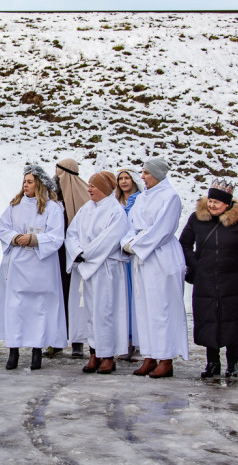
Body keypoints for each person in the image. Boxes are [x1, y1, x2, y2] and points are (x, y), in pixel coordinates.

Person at [121, 157, 188, 378]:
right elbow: (131, 225)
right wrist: (127, 243)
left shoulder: (170, 197)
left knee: (162, 308)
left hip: (161, 257)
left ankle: (165, 357)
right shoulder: (141, 199)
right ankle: (149, 354)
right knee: (144, 308)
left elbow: (162, 230)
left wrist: (137, 245)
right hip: (142, 259)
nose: (142, 177)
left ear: (158, 174)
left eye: (146, 173)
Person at [179, 178, 238, 379]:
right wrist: (196, 265)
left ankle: (233, 363)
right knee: (208, 321)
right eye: (210, 201)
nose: (212, 205)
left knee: (231, 322)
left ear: (227, 204)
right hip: (206, 279)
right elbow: (184, 244)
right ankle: (212, 363)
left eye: (217, 203)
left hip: (232, 280)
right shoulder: (196, 219)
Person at [0, 165, 66, 371]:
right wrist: (16, 238)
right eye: (24, 182)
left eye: (29, 182)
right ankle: (14, 351)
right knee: (16, 308)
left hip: (41, 267)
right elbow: (2, 228)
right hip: (18, 265)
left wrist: (34, 239)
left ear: (39, 184)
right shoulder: (15, 206)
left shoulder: (52, 208)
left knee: (38, 310)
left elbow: (56, 236)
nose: (25, 185)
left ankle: (37, 351)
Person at [65, 170, 130, 374]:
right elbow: (72, 232)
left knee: (105, 312)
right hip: (87, 268)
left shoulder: (115, 211)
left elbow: (109, 240)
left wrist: (87, 255)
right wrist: (77, 252)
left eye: (93, 185)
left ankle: (108, 355)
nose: (89, 188)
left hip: (105, 269)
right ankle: (94, 352)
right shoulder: (86, 208)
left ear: (103, 188)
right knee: (90, 312)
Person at [49, 157, 91, 360]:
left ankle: (77, 341)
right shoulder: (51, 197)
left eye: (58, 172)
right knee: (56, 296)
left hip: (74, 255)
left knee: (75, 298)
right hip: (55, 254)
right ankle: (55, 340)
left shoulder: (83, 197)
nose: (55, 176)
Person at [115, 166, 143, 361]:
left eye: (127, 178)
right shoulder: (115, 202)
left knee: (136, 297)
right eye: (120, 178)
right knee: (122, 298)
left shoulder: (141, 200)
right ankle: (124, 340)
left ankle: (139, 341)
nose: (123, 182)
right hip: (119, 255)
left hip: (136, 253)